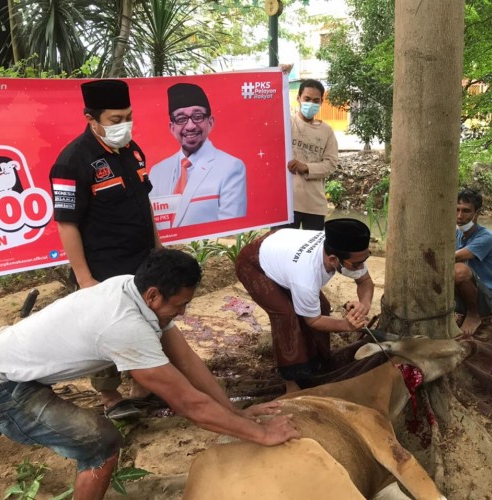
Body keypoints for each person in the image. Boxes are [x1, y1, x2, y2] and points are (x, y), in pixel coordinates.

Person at [0, 249, 300, 500]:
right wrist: (262, 435)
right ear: (154, 294)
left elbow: (187, 360)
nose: (182, 313)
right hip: (3, 385)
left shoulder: (131, 288)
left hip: (1, 364)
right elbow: (188, 404)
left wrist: (233, 412)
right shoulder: (124, 327)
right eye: (180, 305)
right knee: (101, 443)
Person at [49, 79, 162, 420]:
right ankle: (111, 397)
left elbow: (144, 202)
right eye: (115, 119)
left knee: (147, 322)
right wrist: (85, 279)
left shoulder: (131, 150)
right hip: (102, 266)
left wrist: (157, 247)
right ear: (91, 119)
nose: (124, 125)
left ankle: (142, 388)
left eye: (128, 116)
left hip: (141, 260)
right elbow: (66, 224)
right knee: (103, 334)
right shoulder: (72, 161)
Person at [236, 218, 374, 393]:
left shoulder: (346, 247)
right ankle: (292, 383)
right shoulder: (306, 277)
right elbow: (313, 321)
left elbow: (365, 281)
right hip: (254, 264)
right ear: (333, 259)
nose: (361, 267)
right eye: (356, 264)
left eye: (365, 258)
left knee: (322, 306)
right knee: (286, 315)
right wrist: (347, 325)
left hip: (282, 251)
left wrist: (364, 305)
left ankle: (318, 362)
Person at [149, 83, 247, 228]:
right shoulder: (157, 172)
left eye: (198, 116)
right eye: (181, 119)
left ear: (210, 122)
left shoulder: (231, 167)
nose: (190, 126)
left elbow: (230, 229)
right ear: (172, 127)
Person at [285, 79, 339, 230]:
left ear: (322, 102)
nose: (311, 104)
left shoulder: (326, 131)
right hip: (286, 204)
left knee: (311, 252)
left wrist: (306, 167)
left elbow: (331, 164)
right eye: (307, 99)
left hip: (314, 205)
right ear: (298, 98)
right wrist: (281, 75)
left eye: (316, 100)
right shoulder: (286, 124)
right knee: (283, 250)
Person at [455, 188, 492, 335]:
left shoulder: (486, 237)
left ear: (477, 213)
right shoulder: (457, 233)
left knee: (459, 270)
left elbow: (454, 257)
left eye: (466, 211)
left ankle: (474, 314)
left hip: (485, 300)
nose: (459, 216)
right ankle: (456, 311)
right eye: (457, 210)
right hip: (463, 294)